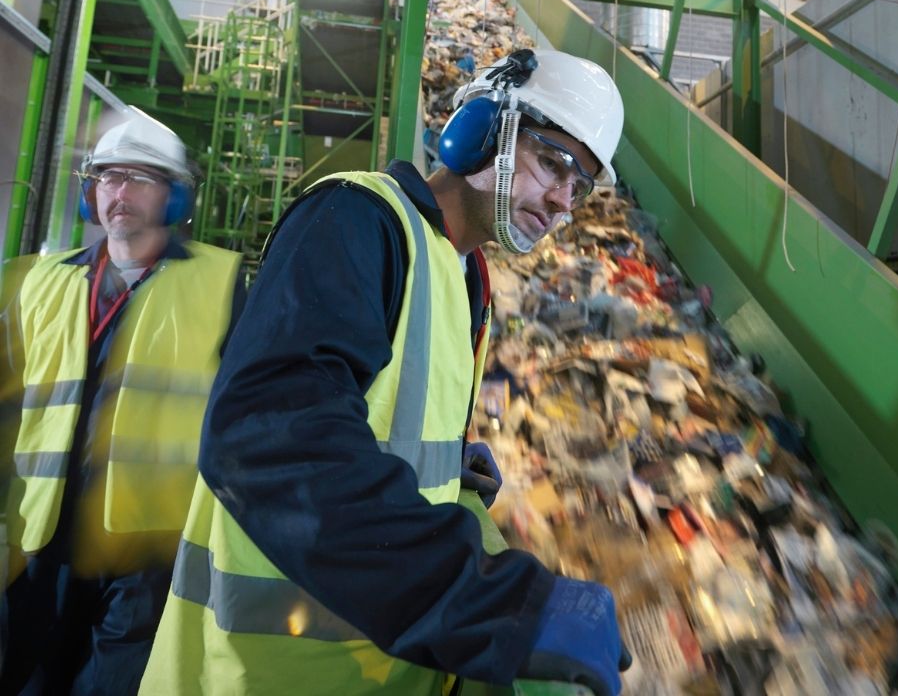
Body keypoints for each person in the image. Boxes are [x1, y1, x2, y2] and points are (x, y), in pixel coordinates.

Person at [140, 49, 631, 696]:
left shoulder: (464, 277)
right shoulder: (356, 223)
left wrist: (438, 467)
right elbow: (272, 439)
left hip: (373, 669)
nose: (564, 201)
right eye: (554, 163)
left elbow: (368, 411)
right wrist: (495, 603)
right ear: (482, 130)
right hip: (262, 673)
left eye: (581, 185)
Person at [0, 108, 245, 695]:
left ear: (174, 194)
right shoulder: (42, 281)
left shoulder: (220, 284)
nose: (121, 190)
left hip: (145, 547)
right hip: (39, 535)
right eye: (109, 176)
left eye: (140, 177)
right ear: (91, 191)